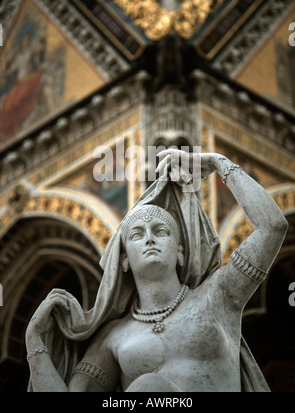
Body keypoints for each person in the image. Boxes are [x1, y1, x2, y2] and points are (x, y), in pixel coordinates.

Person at [25, 150, 288, 392]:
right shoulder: (112, 337)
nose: (150, 239)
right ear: (124, 260)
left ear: (180, 253)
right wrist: (35, 344)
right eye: (137, 235)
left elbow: (273, 227)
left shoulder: (218, 294)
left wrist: (218, 162)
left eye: (161, 231)